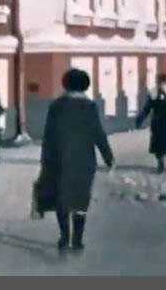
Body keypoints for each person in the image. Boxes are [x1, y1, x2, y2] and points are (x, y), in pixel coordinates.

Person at [40, 69, 114, 254]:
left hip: (59, 159)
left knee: (62, 199)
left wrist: (45, 161)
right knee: (81, 200)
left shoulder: (56, 106)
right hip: (84, 161)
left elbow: (48, 136)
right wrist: (109, 158)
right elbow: (98, 134)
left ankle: (64, 238)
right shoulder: (89, 107)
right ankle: (78, 240)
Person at [136, 74, 166, 173]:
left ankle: (161, 164)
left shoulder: (154, 93)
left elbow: (147, 109)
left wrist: (140, 119)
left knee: (159, 144)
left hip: (158, 122)